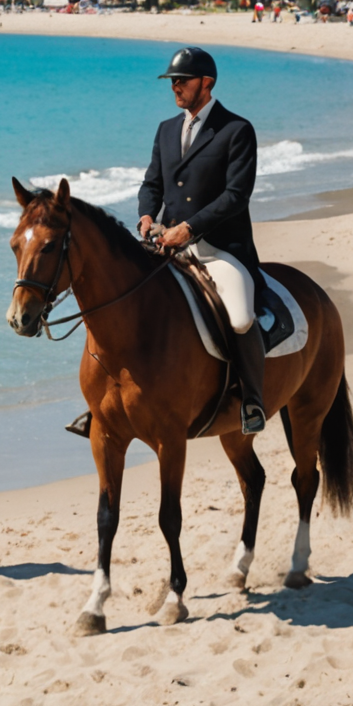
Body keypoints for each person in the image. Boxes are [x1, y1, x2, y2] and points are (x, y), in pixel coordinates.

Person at [136, 47, 267, 434]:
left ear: (206, 83)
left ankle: (251, 399)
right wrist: (147, 213)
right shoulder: (166, 129)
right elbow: (152, 183)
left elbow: (235, 196)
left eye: (182, 81)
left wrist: (189, 229)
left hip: (218, 248)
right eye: (172, 82)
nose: (175, 87)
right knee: (123, 298)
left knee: (241, 317)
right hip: (167, 245)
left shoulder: (236, 130)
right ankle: (109, 400)